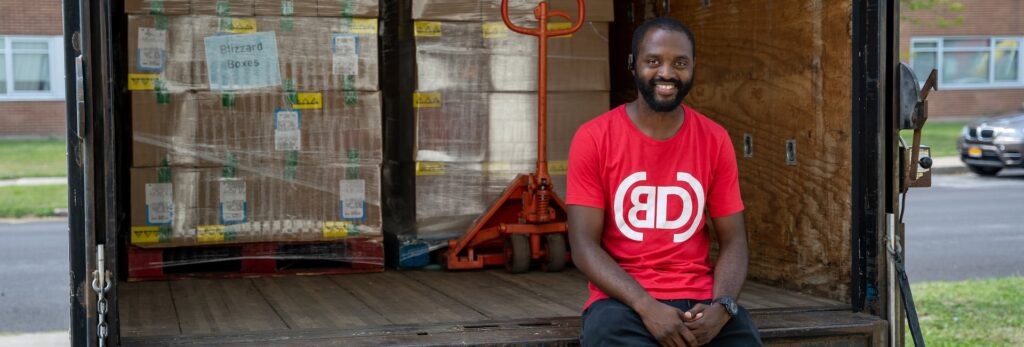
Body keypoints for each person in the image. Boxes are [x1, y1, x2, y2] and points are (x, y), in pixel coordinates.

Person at [566, 17, 763, 347]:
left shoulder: (715, 139)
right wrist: (646, 306)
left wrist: (724, 306)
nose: (667, 73)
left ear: (693, 67)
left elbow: (734, 241)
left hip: (703, 304)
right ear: (632, 64)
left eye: (680, 63)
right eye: (653, 61)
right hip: (622, 303)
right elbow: (584, 246)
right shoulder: (594, 137)